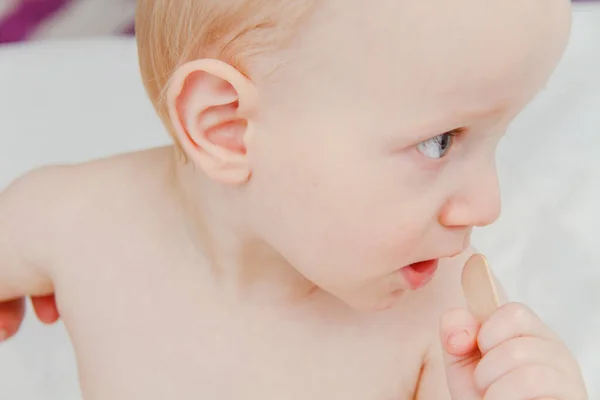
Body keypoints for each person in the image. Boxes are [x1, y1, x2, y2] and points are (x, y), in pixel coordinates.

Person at [0, 0, 589, 398]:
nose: (488, 205)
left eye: (498, 136)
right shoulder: (70, 222)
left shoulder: (439, 324)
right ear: (226, 127)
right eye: (439, 142)